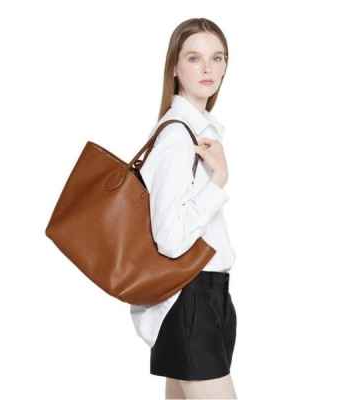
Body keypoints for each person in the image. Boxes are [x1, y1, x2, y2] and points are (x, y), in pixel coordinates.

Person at [130, 18, 238, 399]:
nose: (208, 68)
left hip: (206, 296)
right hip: (190, 298)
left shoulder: (197, 132)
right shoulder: (178, 138)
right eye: (194, 58)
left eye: (217, 58)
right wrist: (218, 180)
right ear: (174, 68)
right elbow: (170, 239)